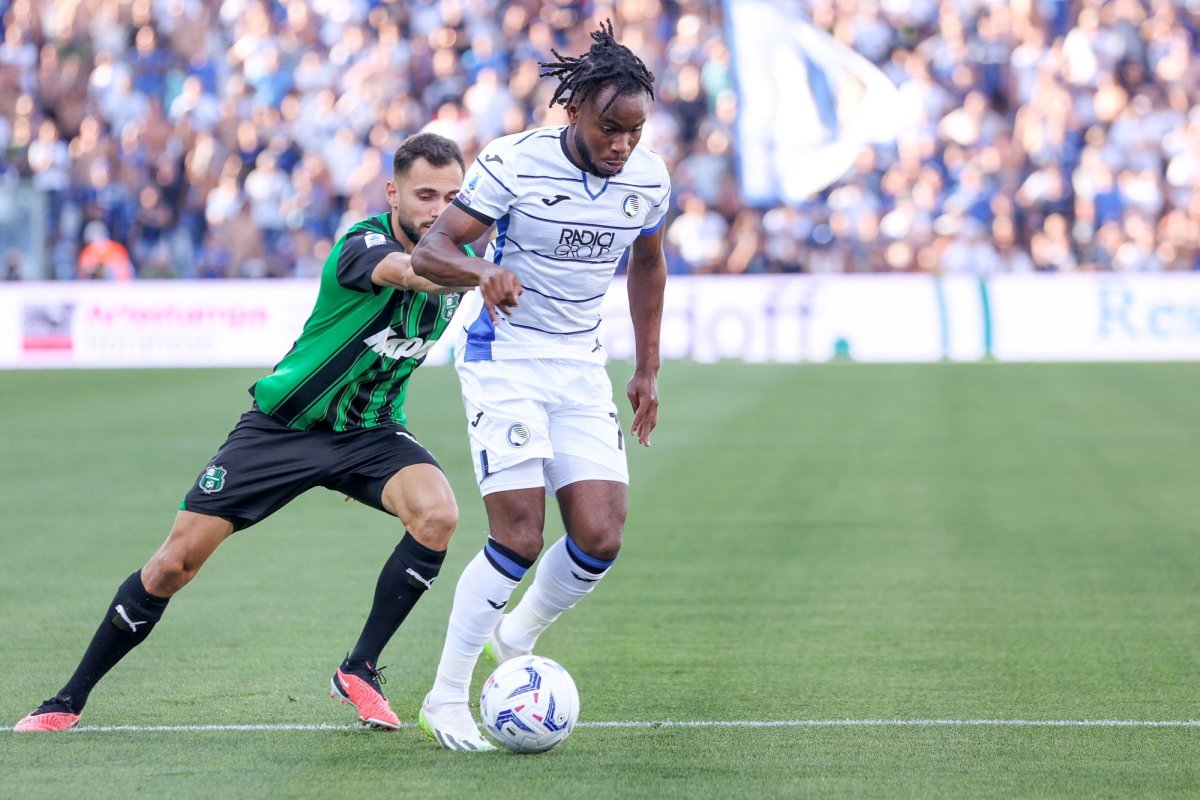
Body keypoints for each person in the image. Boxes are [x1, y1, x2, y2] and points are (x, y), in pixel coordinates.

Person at [14, 132, 473, 733]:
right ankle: (66, 701)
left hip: (370, 434)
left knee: (438, 515)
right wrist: (483, 272)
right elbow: (412, 274)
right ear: (394, 193)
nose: (439, 209)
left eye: (453, 196)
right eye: (425, 194)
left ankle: (358, 669)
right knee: (173, 564)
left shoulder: (462, 254)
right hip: (283, 430)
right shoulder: (365, 243)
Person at [409, 20, 668, 751]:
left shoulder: (649, 178)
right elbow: (434, 249)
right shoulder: (513, 163)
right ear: (576, 110)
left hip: (581, 363)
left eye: (635, 131)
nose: (623, 145)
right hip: (506, 358)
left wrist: (646, 366)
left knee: (601, 535)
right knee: (519, 537)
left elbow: (648, 262)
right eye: (611, 129)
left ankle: (516, 634)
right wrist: (481, 271)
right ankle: (445, 697)